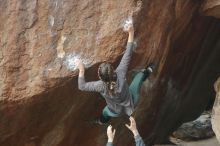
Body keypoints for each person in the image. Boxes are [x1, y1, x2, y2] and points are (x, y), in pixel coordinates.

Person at [77, 20, 154, 125]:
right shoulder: (120, 73)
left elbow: (82, 86)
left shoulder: (99, 86)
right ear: (113, 70)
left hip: (115, 111)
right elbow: (128, 53)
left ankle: (101, 121)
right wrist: (131, 32)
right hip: (131, 103)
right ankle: (149, 70)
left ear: (100, 77)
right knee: (139, 76)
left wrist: (81, 70)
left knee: (105, 112)